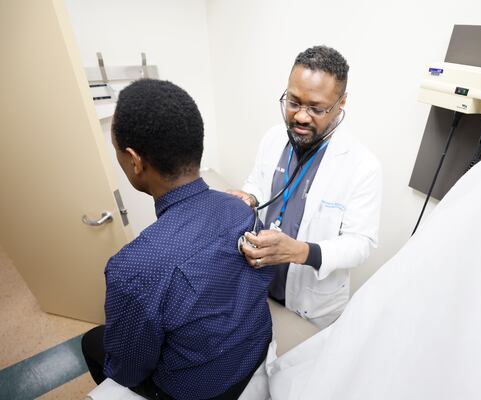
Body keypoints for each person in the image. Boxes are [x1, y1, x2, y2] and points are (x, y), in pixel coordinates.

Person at [81, 79, 273, 400]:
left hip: (201, 391)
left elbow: (129, 370)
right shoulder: (241, 209)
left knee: (91, 342)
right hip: (254, 353)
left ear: (134, 160)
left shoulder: (132, 269)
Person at [231, 45, 382, 328]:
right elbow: (259, 183)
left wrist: (300, 251)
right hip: (260, 283)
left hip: (311, 306)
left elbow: (361, 243)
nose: (300, 116)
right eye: (293, 101)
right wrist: (249, 197)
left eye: (316, 108)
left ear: (341, 103)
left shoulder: (362, 166)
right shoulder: (273, 138)